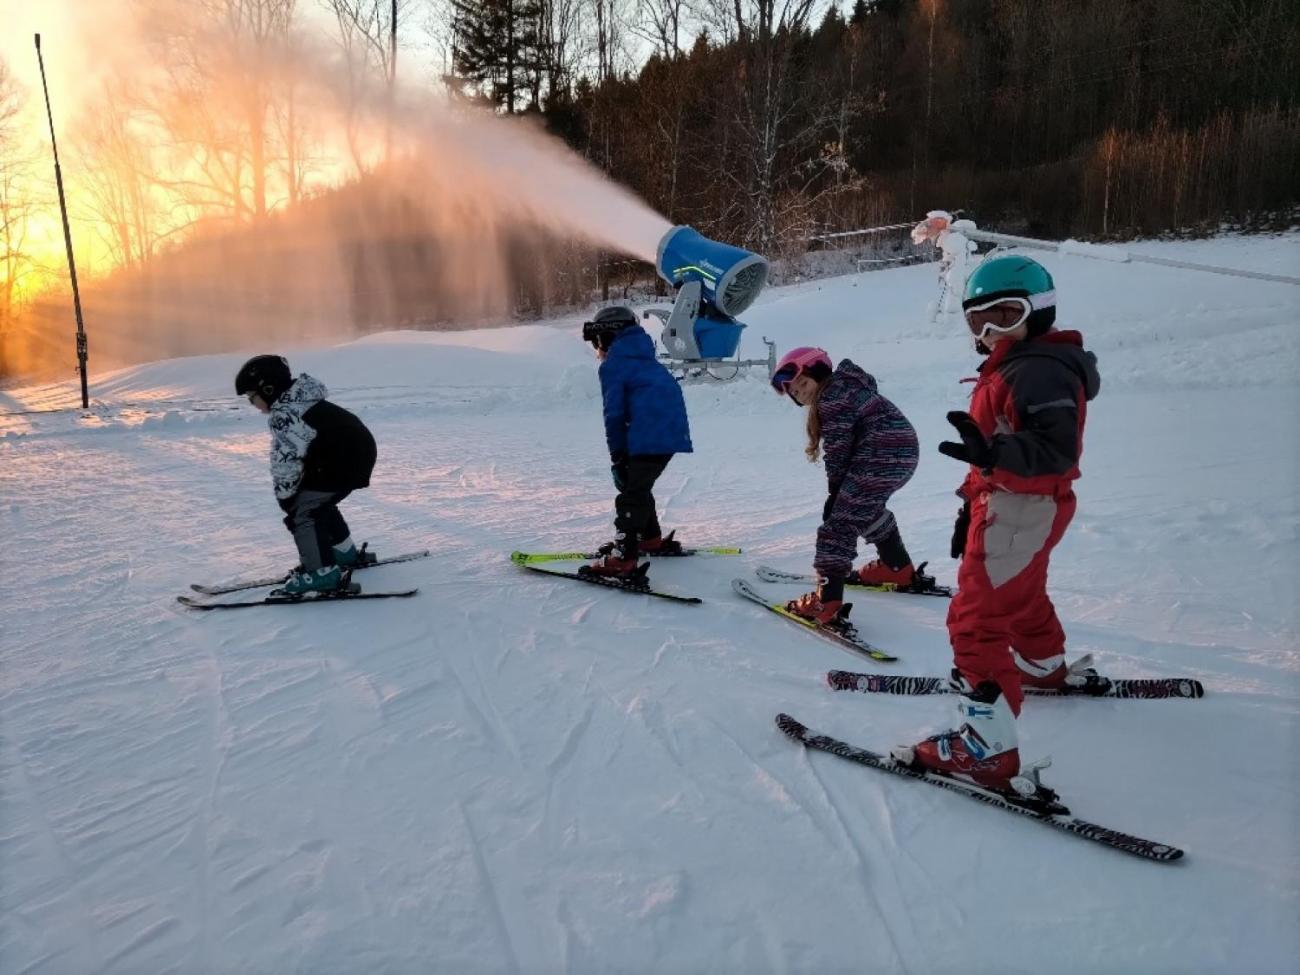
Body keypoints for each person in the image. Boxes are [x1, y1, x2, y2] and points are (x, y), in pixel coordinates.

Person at [892, 255, 1102, 792]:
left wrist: (994, 451)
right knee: (1022, 595)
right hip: (1022, 503)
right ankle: (1041, 665)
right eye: (976, 321)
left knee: (975, 620)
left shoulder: (1036, 368)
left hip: (1018, 503)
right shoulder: (1023, 363)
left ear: (1040, 311)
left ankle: (985, 748)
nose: (987, 332)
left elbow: (1056, 449)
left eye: (1004, 316)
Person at [771, 347, 920, 625]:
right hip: (902, 452)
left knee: (838, 523)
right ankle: (896, 566)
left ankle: (826, 602)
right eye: (794, 391)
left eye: (803, 383)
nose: (800, 392)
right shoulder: (847, 389)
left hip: (881, 452)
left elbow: (839, 447)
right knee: (863, 509)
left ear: (818, 374)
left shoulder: (833, 396)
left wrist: (835, 491)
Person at [235, 355, 378, 595]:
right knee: (318, 501)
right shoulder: (302, 400)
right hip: (355, 455)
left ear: (268, 389)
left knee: (304, 511)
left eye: (252, 397)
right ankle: (343, 553)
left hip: (341, 461)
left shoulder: (286, 415)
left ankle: (321, 573)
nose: (253, 404)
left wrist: (286, 497)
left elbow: (286, 461)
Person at [579, 306, 693, 579]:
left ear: (608, 337)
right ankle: (649, 538)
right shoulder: (643, 357)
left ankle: (624, 556)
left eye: (598, 341)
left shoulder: (615, 364)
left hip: (649, 434)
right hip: (667, 433)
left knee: (631, 494)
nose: (598, 349)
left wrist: (618, 456)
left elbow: (614, 415)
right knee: (640, 486)